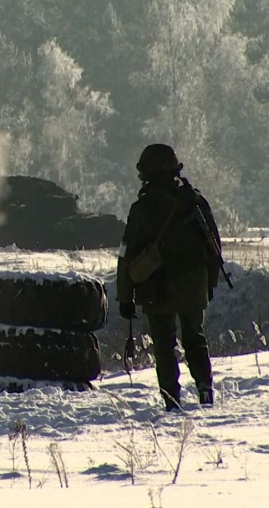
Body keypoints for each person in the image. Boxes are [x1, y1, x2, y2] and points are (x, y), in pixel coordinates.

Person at [116, 144, 222, 411]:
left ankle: (172, 400)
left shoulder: (141, 208)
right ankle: (205, 390)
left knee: (164, 345)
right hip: (193, 283)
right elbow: (213, 247)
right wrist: (209, 283)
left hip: (157, 288)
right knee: (194, 338)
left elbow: (126, 254)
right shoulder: (195, 201)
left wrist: (125, 297)